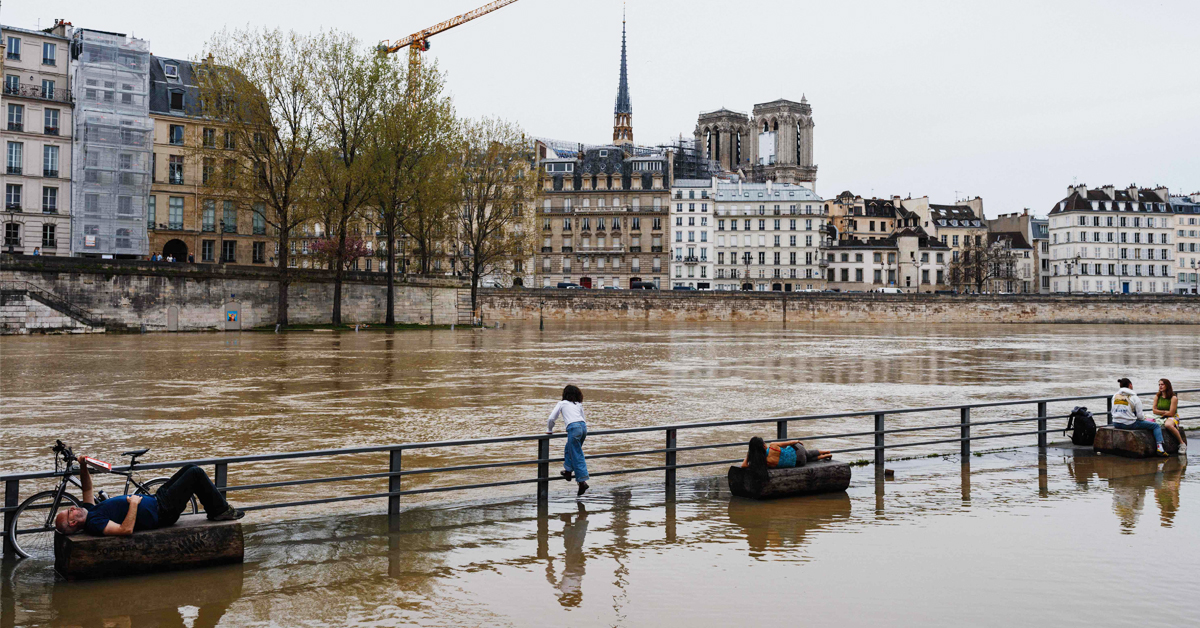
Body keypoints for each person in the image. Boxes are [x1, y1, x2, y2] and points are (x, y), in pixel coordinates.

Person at [54, 459, 243, 536]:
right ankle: (220, 511)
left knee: (189, 468)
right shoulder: (94, 522)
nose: (72, 507)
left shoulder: (91, 511)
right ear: (72, 523)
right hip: (162, 512)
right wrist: (134, 504)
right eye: (69, 512)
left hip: (157, 500)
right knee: (195, 473)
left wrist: (83, 465)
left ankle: (216, 510)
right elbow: (125, 530)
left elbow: (87, 487)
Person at [548, 384, 589, 496]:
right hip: (583, 428)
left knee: (576, 454)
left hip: (574, 428)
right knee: (569, 449)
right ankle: (568, 471)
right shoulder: (578, 404)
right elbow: (583, 419)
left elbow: (551, 418)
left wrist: (549, 430)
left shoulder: (562, 403)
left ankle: (582, 482)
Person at [1112, 378, 1167, 456]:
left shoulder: (1115, 396)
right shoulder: (1134, 397)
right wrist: (1143, 419)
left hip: (1116, 423)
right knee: (1156, 426)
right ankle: (1160, 448)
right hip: (1129, 424)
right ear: (1130, 385)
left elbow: (1112, 411)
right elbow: (1140, 416)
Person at [740, 436, 833, 480]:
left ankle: (823, 456)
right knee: (807, 452)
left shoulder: (763, 463)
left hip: (799, 463)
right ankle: (825, 452)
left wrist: (749, 453)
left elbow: (743, 465)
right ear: (763, 446)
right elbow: (788, 443)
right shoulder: (772, 446)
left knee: (806, 459)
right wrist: (797, 441)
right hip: (798, 451)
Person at [1151, 378, 1187, 455]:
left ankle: (1182, 444)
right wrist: (1164, 412)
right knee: (1146, 421)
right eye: (1159, 384)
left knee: (1168, 425)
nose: (1160, 386)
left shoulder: (1173, 398)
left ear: (1167, 386)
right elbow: (1154, 410)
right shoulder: (1157, 396)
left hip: (1172, 416)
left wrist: (1161, 412)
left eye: (1162, 384)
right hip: (1159, 415)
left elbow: (1171, 413)